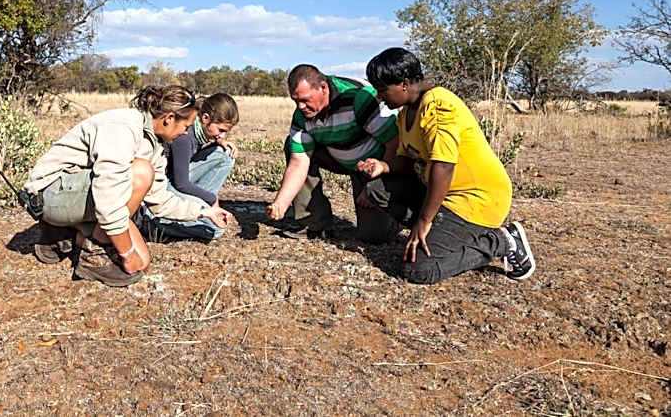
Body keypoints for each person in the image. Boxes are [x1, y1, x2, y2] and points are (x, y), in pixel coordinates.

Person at [22, 86, 233, 287]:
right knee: (141, 173)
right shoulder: (124, 127)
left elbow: (159, 200)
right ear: (169, 119)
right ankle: (93, 256)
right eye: (186, 127)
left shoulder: (155, 143)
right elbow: (108, 198)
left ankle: (62, 235)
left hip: (75, 195)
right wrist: (126, 253)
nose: (186, 133)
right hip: (49, 194)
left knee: (142, 262)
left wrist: (204, 212)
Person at [358, 47, 536, 284]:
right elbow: (408, 160)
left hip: (475, 198)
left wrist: (424, 220)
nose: (380, 97)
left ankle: (502, 240)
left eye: (383, 90)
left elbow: (444, 166)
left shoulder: (438, 106)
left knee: (419, 270)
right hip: (442, 194)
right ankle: (442, 231)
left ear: (404, 84)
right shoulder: (405, 113)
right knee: (377, 190)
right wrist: (383, 166)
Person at [264, 64, 414, 241]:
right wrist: (281, 203)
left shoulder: (358, 97)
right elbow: (299, 162)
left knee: (374, 236)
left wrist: (375, 185)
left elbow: (394, 143)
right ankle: (314, 222)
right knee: (293, 145)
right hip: (336, 155)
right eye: (295, 101)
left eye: (305, 100)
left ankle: (394, 217)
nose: (300, 106)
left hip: (373, 164)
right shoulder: (301, 115)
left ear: (323, 87)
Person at [139, 93, 239, 242]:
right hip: (167, 184)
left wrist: (218, 142)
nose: (222, 136)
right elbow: (181, 183)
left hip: (177, 178)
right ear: (205, 118)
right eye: (221, 130)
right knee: (214, 228)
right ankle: (152, 222)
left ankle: (202, 207)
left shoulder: (198, 130)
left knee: (225, 155)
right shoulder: (185, 137)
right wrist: (212, 199)